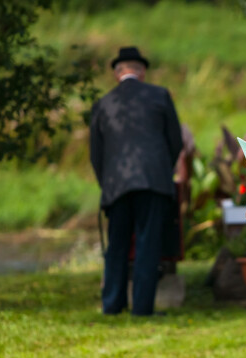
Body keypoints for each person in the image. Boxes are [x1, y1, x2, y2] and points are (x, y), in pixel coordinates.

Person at [90, 46, 183, 316]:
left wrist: (105, 182)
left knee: (117, 244)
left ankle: (112, 304)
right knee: (147, 243)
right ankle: (142, 308)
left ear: (117, 73)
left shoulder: (104, 103)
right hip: (152, 181)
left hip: (116, 184)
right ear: (141, 72)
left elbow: (96, 153)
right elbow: (175, 142)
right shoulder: (160, 96)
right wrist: (162, 170)